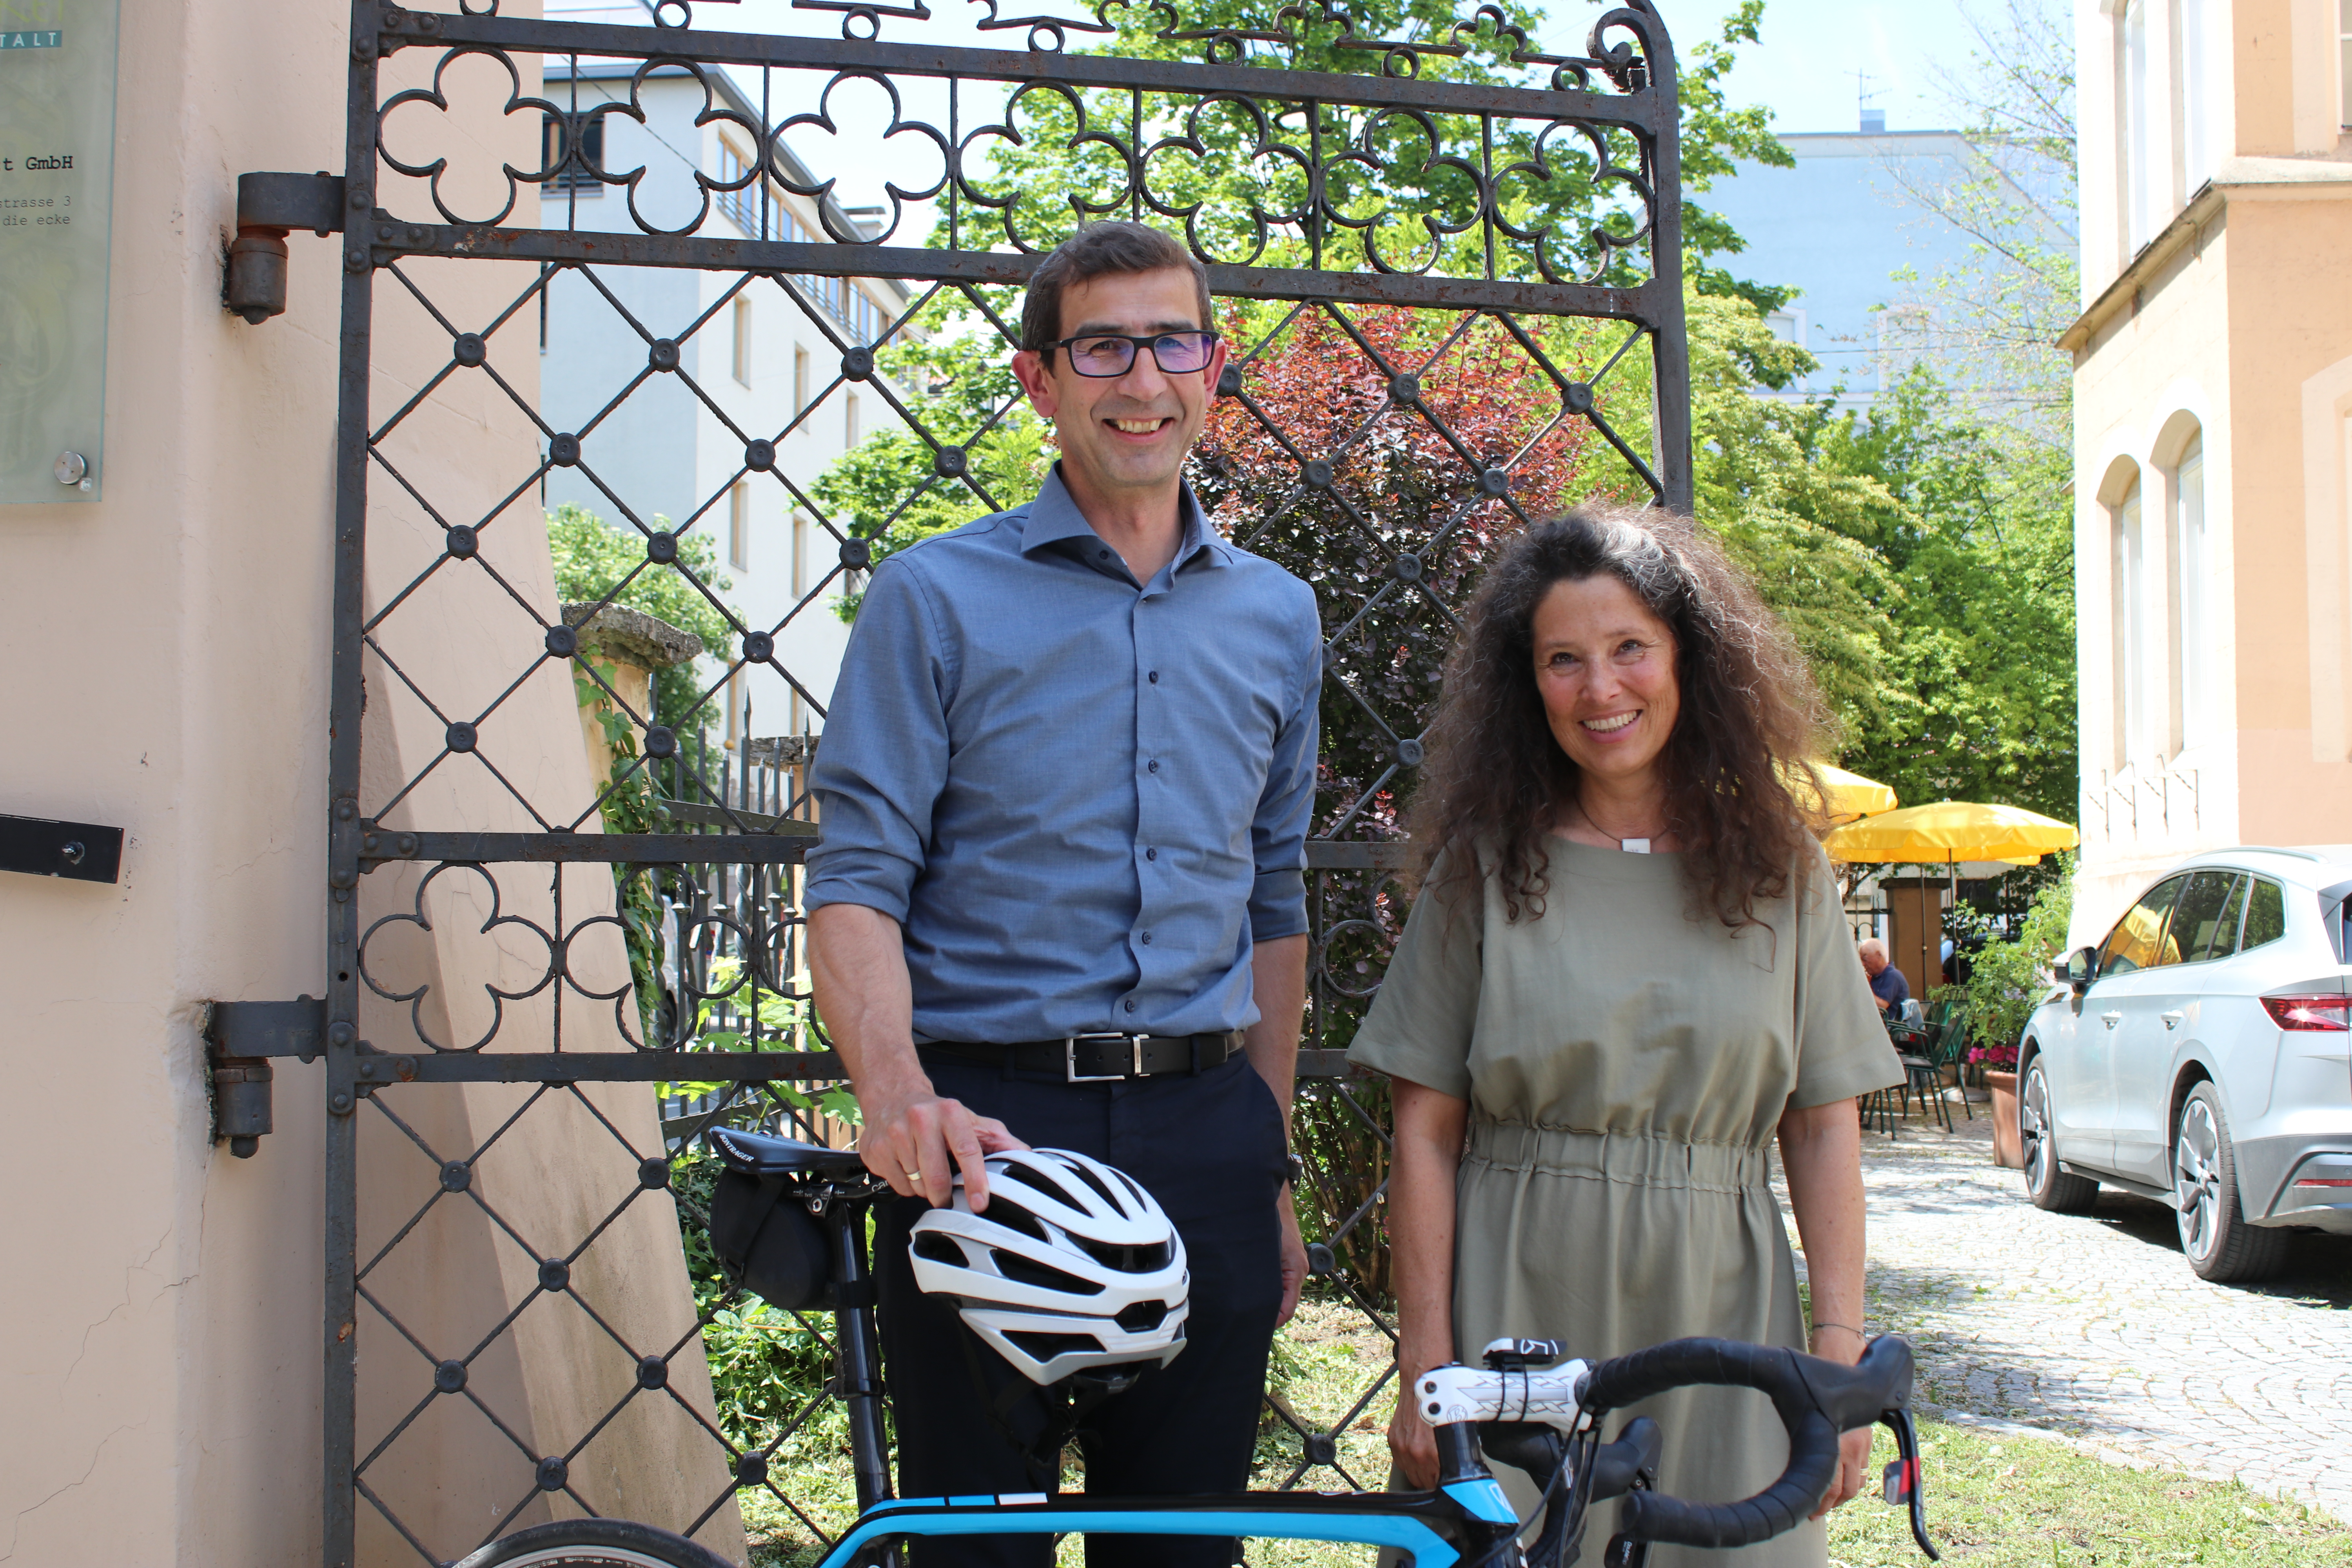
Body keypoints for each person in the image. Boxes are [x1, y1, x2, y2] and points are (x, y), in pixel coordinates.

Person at [803, 220, 1321, 1566]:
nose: (1141, 378)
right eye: (1103, 345)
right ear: (1042, 379)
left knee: (1182, 1550)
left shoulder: (1278, 617)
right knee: (980, 1552)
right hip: (994, 1141)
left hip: (1209, 1133)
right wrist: (898, 1102)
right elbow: (857, 880)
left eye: (1172, 341)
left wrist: (1262, 1162)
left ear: (1215, 368)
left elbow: (1274, 901)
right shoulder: (933, 599)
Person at [1345, 507, 1903, 1567]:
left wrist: (1838, 1355)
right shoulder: (1485, 870)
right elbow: (1422, 1130)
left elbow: (1824, 1124)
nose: (1601, 690)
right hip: (1514, 1304)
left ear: (1690, 657)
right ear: (1529, 684)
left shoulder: (1780, 869)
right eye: (1564, 660)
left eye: (1630, 648)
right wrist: (1428, 1363)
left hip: (1726, 1313)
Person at [1860, 937, 1911, 1018]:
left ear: (1879, 955)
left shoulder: (1893, 976)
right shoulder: (1876, 977)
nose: (1863, 964)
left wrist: (1864, 985)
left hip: (1891, 1027)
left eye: (1865, 959)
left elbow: (1881, 1008)